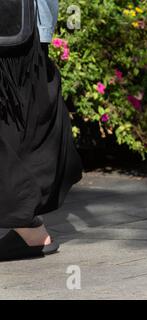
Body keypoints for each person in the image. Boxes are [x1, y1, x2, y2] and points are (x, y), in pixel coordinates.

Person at [0, 0, 82, 261]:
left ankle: (29, 228)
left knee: (14, 120)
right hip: (22, 24)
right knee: (20, 118)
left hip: (15, 24)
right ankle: (28, 227)